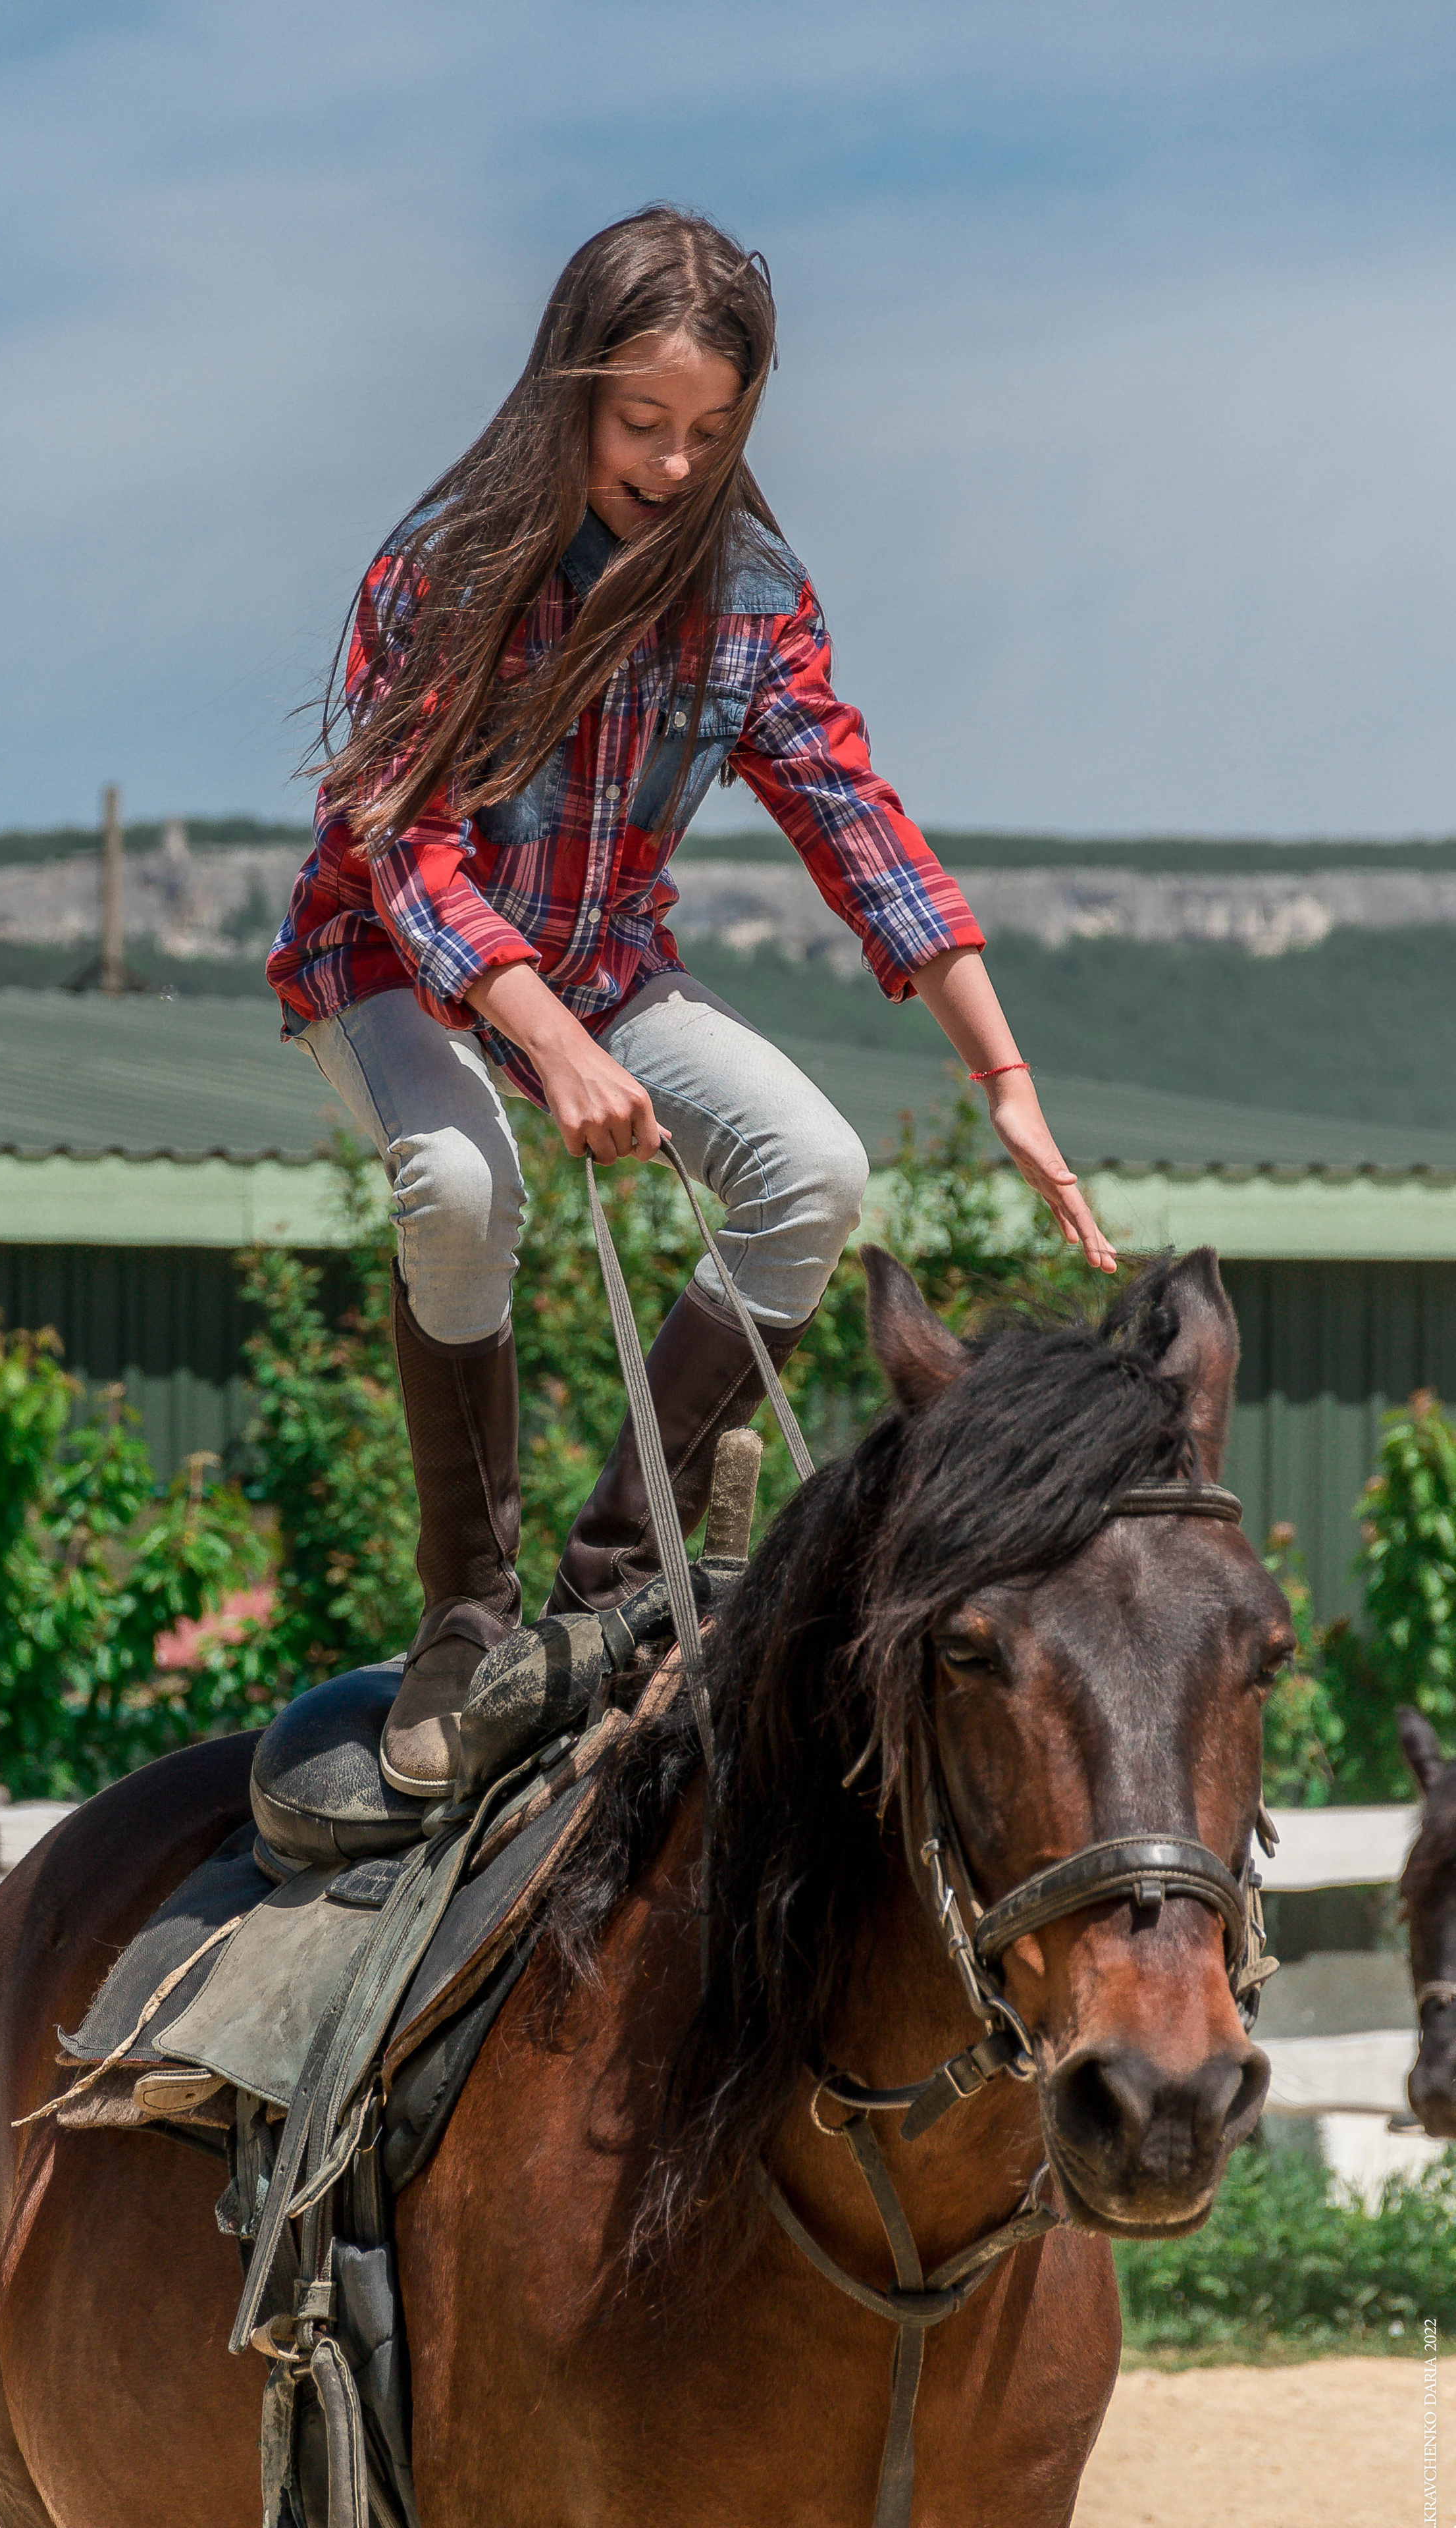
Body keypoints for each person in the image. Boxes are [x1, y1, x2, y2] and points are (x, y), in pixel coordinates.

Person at [267, 205, 1116, 1798]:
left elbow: (854, 825)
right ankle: (466, 1617)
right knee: (461, 1183)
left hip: (597, 965)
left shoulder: (749, 599)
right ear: (567, 394)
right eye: (639, 424)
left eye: (707, 432)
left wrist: (1000, 1071)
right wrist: (548, 1044)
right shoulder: (438, 574)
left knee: (816, 1171)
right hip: (387, 963)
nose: (669, 462)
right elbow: (406, 853)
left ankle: (607, 1587)